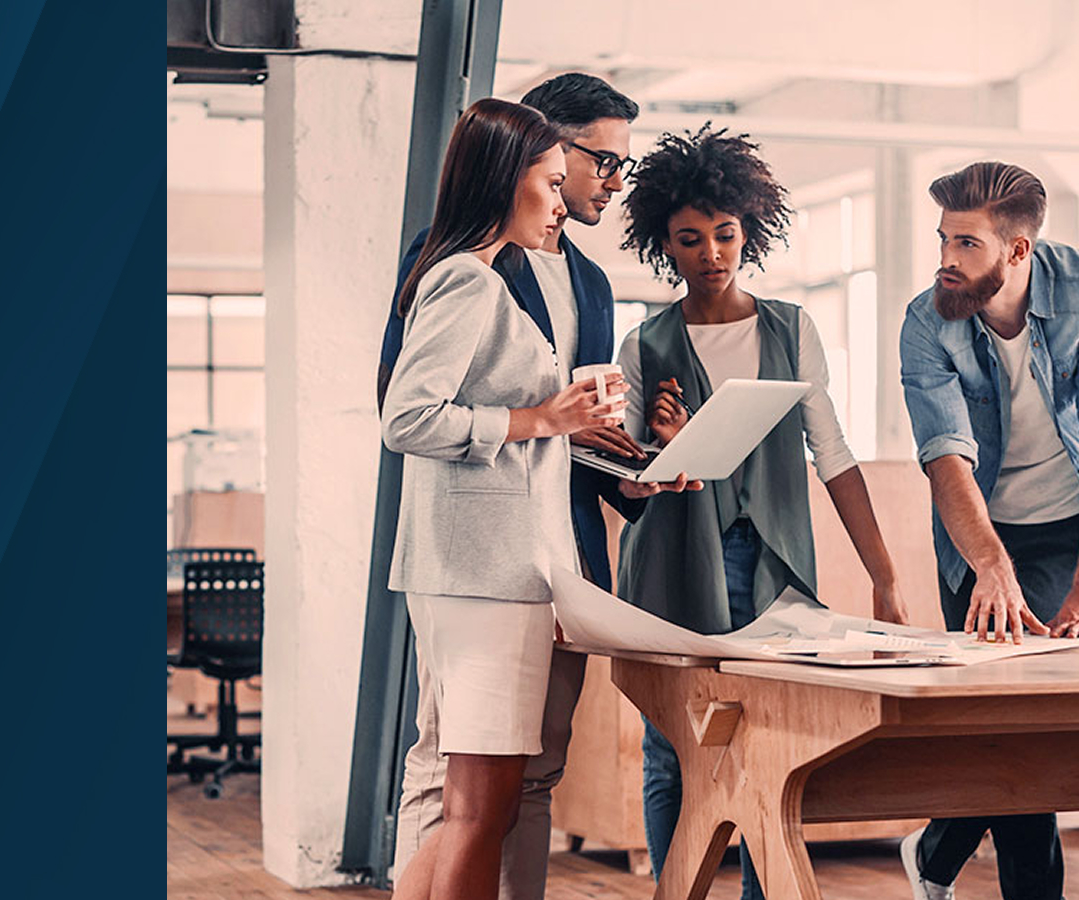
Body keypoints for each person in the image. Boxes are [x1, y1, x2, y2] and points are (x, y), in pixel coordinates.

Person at [381, 74, 697, 900]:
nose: (600, 187)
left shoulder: (588, 282)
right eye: (579, 168)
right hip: (482, 565)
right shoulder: (461, 270)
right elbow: (411, 413)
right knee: (463, 796)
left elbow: (561, 431)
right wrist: (538, 420)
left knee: (510, 786)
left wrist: (638, 466)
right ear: (528, 154)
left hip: (549, 561)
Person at [615, 125, 911, 899]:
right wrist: (663, 448)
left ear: (749, 230)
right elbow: (631, 484)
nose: (711, 253)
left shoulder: (791, 328)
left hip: (772, 562)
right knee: (673, 744)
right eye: (689, 239)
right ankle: (680, 889)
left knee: (773, 742)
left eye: (724, 234)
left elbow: (833, 452)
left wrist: (884, 576)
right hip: (675, 569)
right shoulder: (644, 345)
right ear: (664, 247)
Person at [896, 161, 1079, 900]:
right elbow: (945, 458)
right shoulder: (927, 320)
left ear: (1017, 252)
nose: (946, 260)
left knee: (1029, 741)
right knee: (1004, 739)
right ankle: (943, 859)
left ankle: (934, 856)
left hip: (1073, 527)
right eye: (944, 239)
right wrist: (990, 565)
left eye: (966, 245)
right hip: (979, 536)